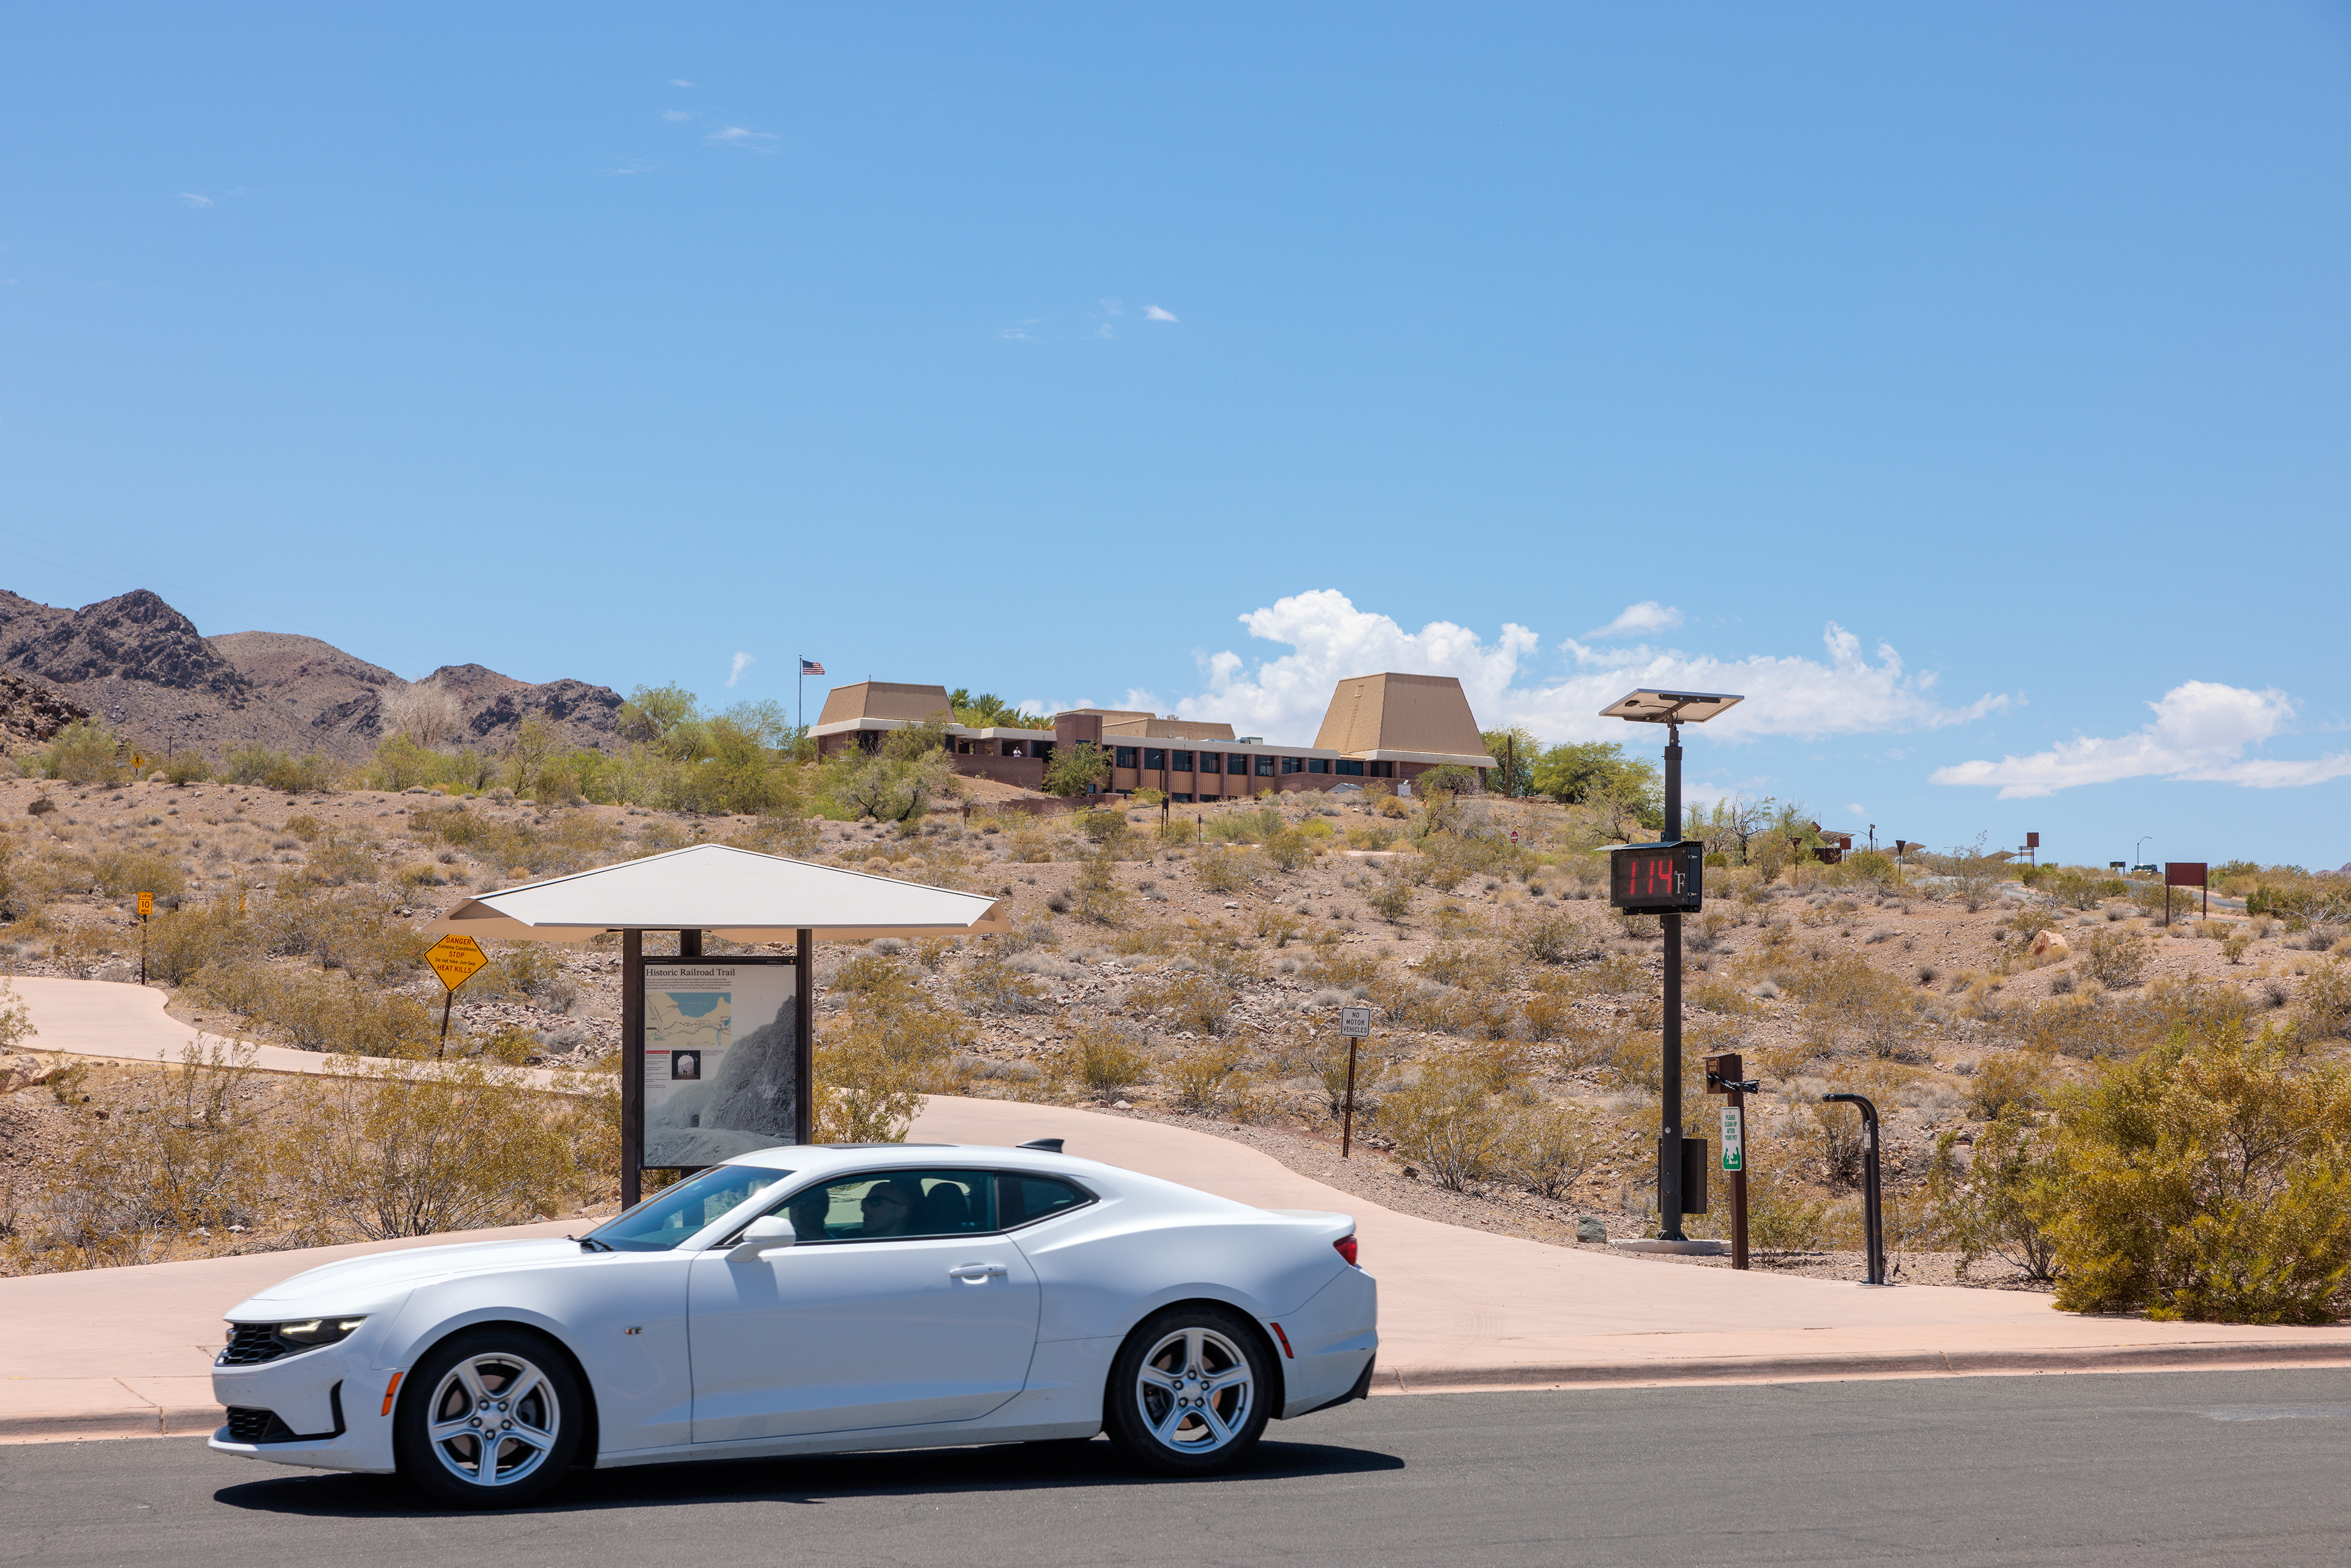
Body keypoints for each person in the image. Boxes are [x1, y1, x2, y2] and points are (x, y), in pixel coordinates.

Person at [857, 1177, 922, 1238]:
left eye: (875, 1201)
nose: (863, 1209)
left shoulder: (912, 1249)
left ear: (900, 1212)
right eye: (864, 1202)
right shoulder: (852, 1236)